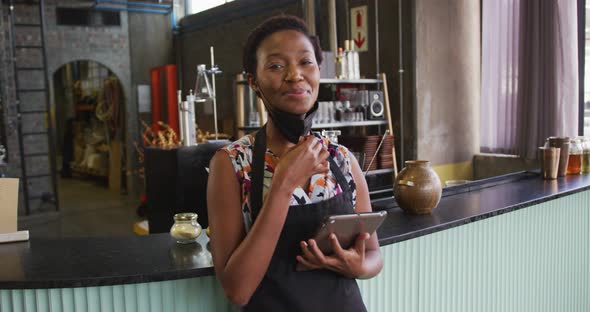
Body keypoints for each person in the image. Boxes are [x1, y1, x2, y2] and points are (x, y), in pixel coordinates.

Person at [207, 15, 383, 311]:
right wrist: (283, 184)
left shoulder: (342, 159)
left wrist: (357, 266)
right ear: (254, 81)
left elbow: (374, 255)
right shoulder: (232, 163)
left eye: (306, 62)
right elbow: (237, 290)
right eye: (276, 66)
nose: (294, 75)